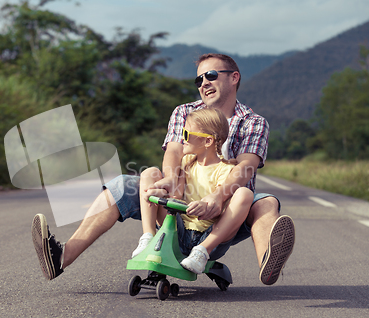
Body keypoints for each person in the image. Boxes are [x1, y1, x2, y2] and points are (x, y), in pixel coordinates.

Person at [31, 53, 295, 285]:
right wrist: (170, 180)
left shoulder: (253, 122)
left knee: (265, 202)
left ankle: (268, 263)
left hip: (227, 213)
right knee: (124, 183)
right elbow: (174, 152)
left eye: (211, 75)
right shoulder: (185, 112)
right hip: (180, 207)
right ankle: (63, 257)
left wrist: (217, 197)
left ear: (234, 77)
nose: (203, 83)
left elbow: (246, 167)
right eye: (198, 79)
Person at [132, 107, 255, 274]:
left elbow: (220, 209)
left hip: (207, 234)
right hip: (178, 230)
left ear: (208, 142)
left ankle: (202, 252)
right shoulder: (187, 162)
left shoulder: (225, 170)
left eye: (186, 135)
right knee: (149, 173)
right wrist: (157, 193)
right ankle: (148, 237)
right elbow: (176, 196)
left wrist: (205, 207)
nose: (182, 139)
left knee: (244, 193)